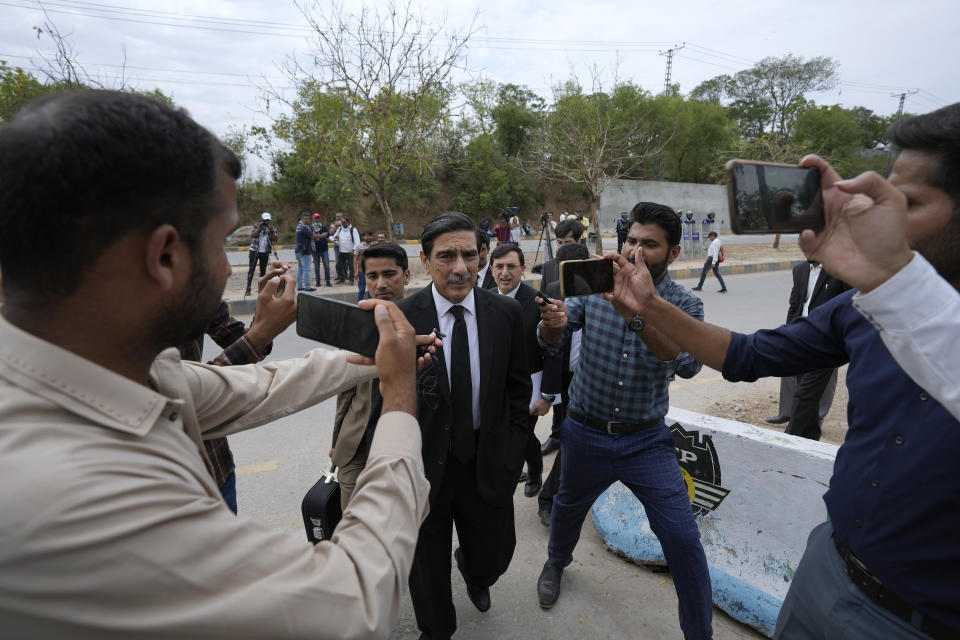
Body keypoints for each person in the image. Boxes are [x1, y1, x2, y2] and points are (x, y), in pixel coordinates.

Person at [0, 89, 433, 638]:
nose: (229, 265)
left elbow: (258, 387)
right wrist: (398, 401)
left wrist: (376, 360)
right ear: (163, 256)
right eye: (223, 239)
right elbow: (352, 604)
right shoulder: (76, 496)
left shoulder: (99, 366)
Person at [602, 103, 960, 639]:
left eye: (907, 203)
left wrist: (896, 280)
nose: (884, 218)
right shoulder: (861, 307)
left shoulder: (893, 293)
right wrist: (648, 306)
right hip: (827, 567)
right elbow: (745, 355)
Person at [535, 202, 712, 640]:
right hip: (584, 430)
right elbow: (556, 336)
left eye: (649, 244)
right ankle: (556, 562)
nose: (635, 250)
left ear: (671, 254)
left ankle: (699, 632)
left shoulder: (685, 304)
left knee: (682, 538)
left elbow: (688, 364)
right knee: (567, 508)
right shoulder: (596, 287)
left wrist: (634, 313)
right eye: (631, 239)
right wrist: (551, 325)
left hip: (646, 442)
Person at [370, 211, 531, 640]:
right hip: (423, 466)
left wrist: (513, 451)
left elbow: (518, 391)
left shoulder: (505, 314)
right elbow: (380, 400)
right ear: (424, 261)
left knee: (495, 554)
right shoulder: (399, 318)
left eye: (469, 255)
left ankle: (476, 573)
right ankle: (437, 629)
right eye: (446, 256)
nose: (460, 267)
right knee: (426, 568)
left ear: (481, 257)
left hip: (487, 458)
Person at [178, 261, 292, 513]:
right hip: (167, 481)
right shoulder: (109, 305)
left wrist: (263, 314)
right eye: (216, 243)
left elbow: (244, 342)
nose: (228, 269)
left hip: (215, 464)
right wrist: (259, 335)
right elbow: (171, 392)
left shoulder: (199, 290)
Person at [330, 242, 411, 510]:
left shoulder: (420, 326)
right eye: (373, 276)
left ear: (406, 276)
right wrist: (336, 443)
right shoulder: (357, 326)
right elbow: (346, 392)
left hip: (404, 448)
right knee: (352, 525)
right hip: (357, 447)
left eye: (389, 274)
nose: (381, 284)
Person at [535, 241, 589, 526]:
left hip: (589, 379)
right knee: (571, 439)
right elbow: (549, 349)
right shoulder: (551, 296)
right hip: (565, 379)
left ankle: (556, 496)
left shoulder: (601, 294)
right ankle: (549, 499)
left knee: (574, 441)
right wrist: (548, 391)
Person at [764, 261, 850, 435]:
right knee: (792, 376)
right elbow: (795, 303)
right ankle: (790, 415)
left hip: (826, 339)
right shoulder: (800, 270)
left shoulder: (838, 269)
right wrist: (788, 331)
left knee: (816, 387)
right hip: (800, 332)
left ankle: (813, 418)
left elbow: (848, 304)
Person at [490, 243, 546, 497]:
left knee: (522, 433)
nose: (505, 272)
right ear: (491, 270)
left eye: (511, 266)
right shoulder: (485, 298)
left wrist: (547, 395)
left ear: (523, 269)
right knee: (499, 431)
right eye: (499, 266)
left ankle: (534, 470)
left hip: (529, 382)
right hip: (494, 382)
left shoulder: (537, 302)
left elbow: (553, 352)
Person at [536, 218, 584, 293]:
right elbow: (544, 296)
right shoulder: (548, 267)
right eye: (560, 242)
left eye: (567, 242)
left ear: (578, 242)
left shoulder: (588, 266)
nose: (563, 247)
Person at [245, 211, 277, 296]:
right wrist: (259, 229)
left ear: (270, 220)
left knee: (263, 272)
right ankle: (248, 288)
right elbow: (252, 236)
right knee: (251, 270)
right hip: (254, 250)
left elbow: (275, 239)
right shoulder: (257, 226)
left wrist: (271, 231)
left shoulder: (272, 228)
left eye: (268, 220)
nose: (266, 222)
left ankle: (261, 288)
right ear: (262, 219)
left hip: (265, 252)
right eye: (265, 220)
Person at [335, 215, 361, 284]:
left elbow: (357, 241)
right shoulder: (340, 229)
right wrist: (336, 238)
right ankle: (342, 278)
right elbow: (334, 237)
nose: (343, 224)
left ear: (348, 222)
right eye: (342, 222)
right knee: (339, 265)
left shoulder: (353, 229)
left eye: (344, 222)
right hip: (341, 251)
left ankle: (351, 280)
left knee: (351, 266)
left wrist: (353, 250)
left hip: (350, 252)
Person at [295, 212, 316, 291]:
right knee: (306, 269)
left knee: (300, 269)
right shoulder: (303, 227)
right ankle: (307, 287)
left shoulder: (299, 226)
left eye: (308, 219)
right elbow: (312, 236)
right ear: (302, 219)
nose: (307, 220)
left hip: (299, 251)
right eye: (306, 219)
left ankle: (300, 286)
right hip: (304, 252)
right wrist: (323, 236)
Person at [312, 213, 332, 287]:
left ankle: (328, 281)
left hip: (324, 249)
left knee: (326, 266)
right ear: (313, 219)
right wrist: (321, 235)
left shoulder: (323, 227)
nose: (317, 219)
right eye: (315, 218)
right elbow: (311, 236)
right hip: (315, 250)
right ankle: (318, 282)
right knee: (317, 267)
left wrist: (334, 240)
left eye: (318, 218)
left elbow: (329, 235)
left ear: (320, 218)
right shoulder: (311, 227)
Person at [354, 230, 373, 302]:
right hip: (361, 271)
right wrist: (355, 272)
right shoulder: (359, 246)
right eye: (366, 236)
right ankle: (359, 305)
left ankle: (370, 305)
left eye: (369, 236)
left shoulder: (374, 246)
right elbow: (355, 259)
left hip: (372, 271)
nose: (368, 237)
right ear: (363, 237)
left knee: (371, 289)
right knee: (361, 289)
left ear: (372, 237)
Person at [331, 212, 345, 283]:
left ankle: (345, 275)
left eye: (340, 216)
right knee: (337, 261)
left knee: (345, 261)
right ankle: (339, 275)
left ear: (342, 216)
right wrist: (335, 226)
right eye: (337, 216)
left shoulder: (345, 222)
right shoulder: (333, 223)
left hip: (345, 245)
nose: (338, 218)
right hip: (337, 245)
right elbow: (331, 233)